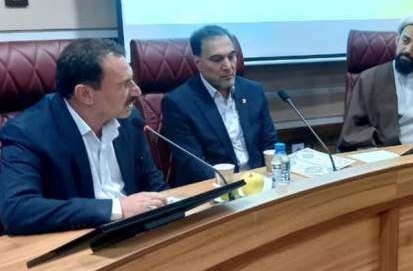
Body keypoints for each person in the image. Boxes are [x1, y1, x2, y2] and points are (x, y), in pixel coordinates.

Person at [0, 39, 168, 235]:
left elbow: (153, 181)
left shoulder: (129, 119)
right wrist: (117, 209)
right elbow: (18, 209)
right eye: (125, 84)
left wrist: (173, 204)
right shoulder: (28, 133)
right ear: (85, 94)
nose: (137, 91)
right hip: (77, 239)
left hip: (136, 233)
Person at [162, 25, 278, 186]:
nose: (228, 66)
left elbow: (270, 144)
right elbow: (193, 165)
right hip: (216, 188)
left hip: (259, 183)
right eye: (217, 59)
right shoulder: (178, 103)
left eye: (231, 56)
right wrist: (233, 188)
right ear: (198, 63)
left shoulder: (253, 91)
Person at [338, 13, 413, 150]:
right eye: (405, 41)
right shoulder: (369, 79)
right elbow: (353, 132)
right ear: (397, 40)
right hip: (390, 155)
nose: (408, 50)